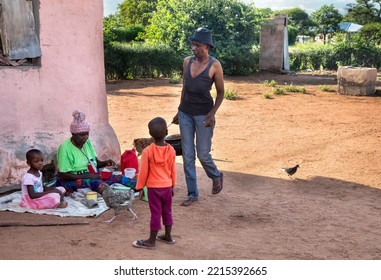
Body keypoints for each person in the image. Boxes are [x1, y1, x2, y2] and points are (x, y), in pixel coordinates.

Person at [172, 27, 224, 207]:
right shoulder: (186, 62)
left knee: (203, 153)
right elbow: (185, 89)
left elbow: (221, 93)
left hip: (204, 115)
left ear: (207, 46)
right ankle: (192, 194)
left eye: (197, 45)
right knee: (187, 155)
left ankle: (216, 175)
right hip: (185, 112)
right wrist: (179, 110)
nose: (193, 48)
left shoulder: (214, 65)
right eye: (192, 45)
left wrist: (211, 114)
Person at [57, 110, 135, 195]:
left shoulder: (87, 143)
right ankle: (115, 197)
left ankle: (141, 188)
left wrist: (105, 163)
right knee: (99, 184)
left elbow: (95, 163)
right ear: (73, 134)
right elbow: (64, 175)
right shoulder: (65, 148)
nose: (85, 137)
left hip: (92, 175)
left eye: (87, 134)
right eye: (81, 135)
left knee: (119, 178)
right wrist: (88, 176)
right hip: (74, 180)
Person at [132, 117, 176, 250]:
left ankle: (151, 240)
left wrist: (140, 187)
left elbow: (143, 171)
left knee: (156, 213)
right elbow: (173, 170)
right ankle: (168, 236)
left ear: (150, 134)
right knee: (167, 211)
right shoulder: (171, 150)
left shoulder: (147, 152)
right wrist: (172, 185)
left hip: (153, 188)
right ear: (167, 132)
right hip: (167, 186)